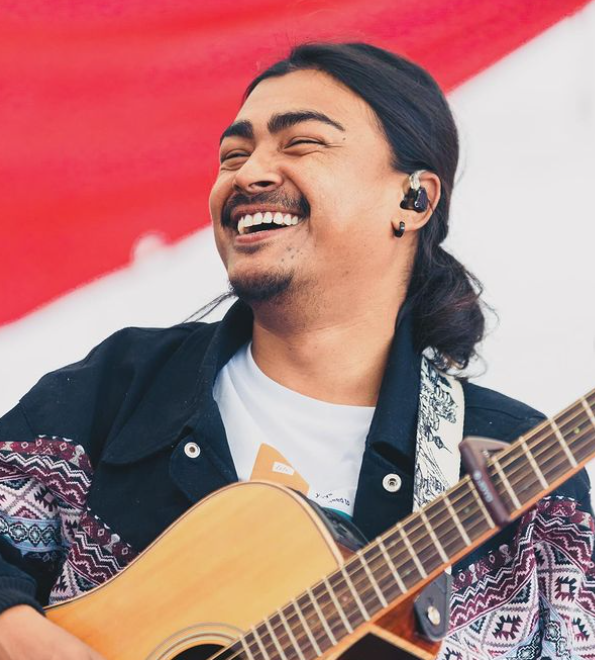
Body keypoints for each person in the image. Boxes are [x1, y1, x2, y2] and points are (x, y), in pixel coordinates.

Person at [0, 42, 592, 660]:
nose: (248, 173)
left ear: (413, 199)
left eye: (301, 143)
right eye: (234, 154)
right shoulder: (124, 387)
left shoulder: (524, 465)